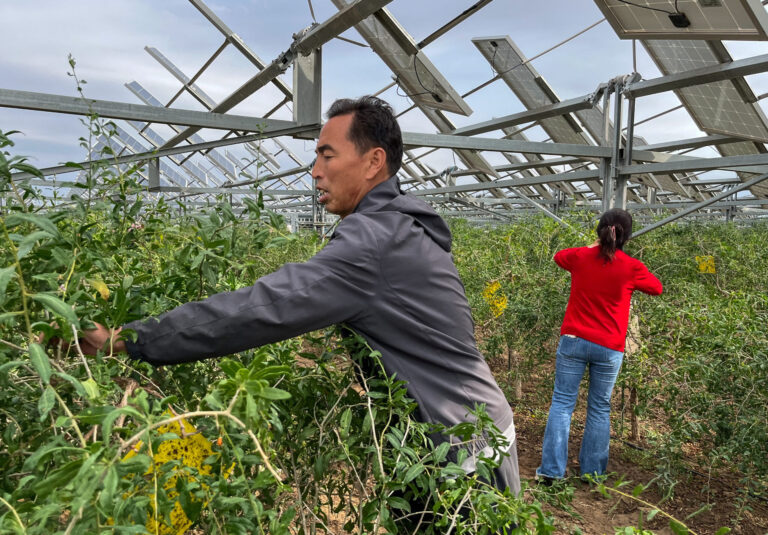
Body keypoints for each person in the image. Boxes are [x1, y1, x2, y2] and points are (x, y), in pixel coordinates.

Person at [78, 96, 521, 511]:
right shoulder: (398, 226)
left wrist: (131, 338)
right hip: (467, 428)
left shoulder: (376, 239)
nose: (314, 171)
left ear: (373, 162)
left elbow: (265, 306)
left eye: (327, 155)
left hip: (460, 450)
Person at [536, 208, 662, 483]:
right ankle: (592, 473)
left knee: (562, 403)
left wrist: (592, 247)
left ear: (599, 231)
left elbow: (559, 257)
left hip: (574, 341)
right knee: (599, 407)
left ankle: (551, 472)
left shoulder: (581, 258)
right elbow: (657, 288)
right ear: (626, 236)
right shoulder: (631, 267)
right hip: (609, 347)